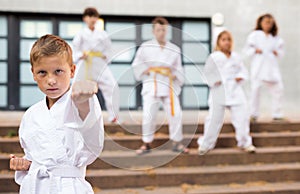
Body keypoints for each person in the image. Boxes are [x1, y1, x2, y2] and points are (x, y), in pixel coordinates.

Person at [9, 34, 104, 193]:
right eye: (42, 73)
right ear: (33, 73)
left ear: (72, 70)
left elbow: (91, 137)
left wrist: (84, 102)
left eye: (58, 71)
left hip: (68, 187)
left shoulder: (80, 102)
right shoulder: (31, 114)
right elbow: (37, 155)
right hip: (35, 186)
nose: (51, 80)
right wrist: (26, 164)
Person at [132, 17, 189, 155]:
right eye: (158, 29)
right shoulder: (145, 47)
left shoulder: (174, 49)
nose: (161, 32)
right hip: (152, 83)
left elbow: (179, 69)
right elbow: (137, 64)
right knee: (148, 115)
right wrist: (144, 70)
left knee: (175, 114)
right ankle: (147, 143)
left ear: (167, 30)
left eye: (164, 29)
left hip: (169, 84)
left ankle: (177, 142)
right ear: (153, 31)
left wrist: (176, 75)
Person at [198, 30, 256, 155]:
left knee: (242, 118)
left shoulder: (236, 57)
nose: (227, 42)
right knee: (214, 119)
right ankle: (206, 144)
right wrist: (214, 81)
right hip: (218, 91)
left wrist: (240, 77)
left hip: (235, 90)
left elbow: (243, 71)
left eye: (229, 40)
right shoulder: (214, 57)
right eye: (224, 39)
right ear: (218, 42)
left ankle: (245, 143)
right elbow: (206, 74)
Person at [72, 7, 121, 123]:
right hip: (85, 63)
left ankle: (113, 116)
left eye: (94, 16)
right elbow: (75, 49)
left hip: (99, 63)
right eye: (89, 16)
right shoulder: (81, 34)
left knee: (112, 86)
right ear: (85, 18)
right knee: (75, 88)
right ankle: (74, 115)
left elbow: (109, 49)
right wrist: (79, 55)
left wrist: (105, 56)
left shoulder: (102, 34)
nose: (92, 19)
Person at [244, 13, 285, 122]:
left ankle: (277, 113)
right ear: (261, 23)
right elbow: (248, 50)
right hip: (259, 67)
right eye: (266, 22)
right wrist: (255, 51)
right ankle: (253, 114)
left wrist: (277, 52)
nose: (268, 25)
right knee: (255, 90)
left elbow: (281, 52)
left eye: (270, 23)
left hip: (272, 68)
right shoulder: (255, 35)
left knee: (278, 89)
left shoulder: (275, 38)